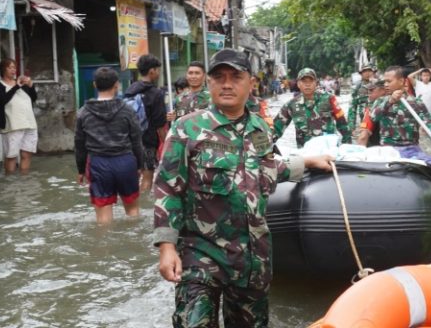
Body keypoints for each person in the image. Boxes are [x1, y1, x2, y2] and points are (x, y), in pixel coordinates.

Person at [152, 48, 333, 328]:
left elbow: (266, 169)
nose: (227, 84)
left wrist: (307, 162)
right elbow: (167, 187)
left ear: (251, 83)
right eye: (219, 77)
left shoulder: (261, 129)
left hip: (252, 257)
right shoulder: (187, 129)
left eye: (236, 77)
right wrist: (166, 247)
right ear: (209, 83)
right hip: (201, 253)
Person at [75, 67, 144, 224]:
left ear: (94, 84)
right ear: (117, 85)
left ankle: (105, 240)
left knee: (103, 218)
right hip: (126, 162)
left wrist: (81, 170)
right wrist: (139, 165)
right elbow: (136, 140)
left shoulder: (83, 112)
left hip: (98, 164)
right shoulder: (127, 110)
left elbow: (79, 144)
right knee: (133, 211)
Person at [361, 65, 431, 164]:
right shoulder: (380, 101)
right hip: (388, 149)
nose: (386, 85)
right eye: (385, 82)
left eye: (389, 81)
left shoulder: (416, 103)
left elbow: (430, 125)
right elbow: (374, 117)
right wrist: (390, 101)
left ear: (401, 81)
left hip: (411, 149)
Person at [124, 54, 172, 192]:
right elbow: (160, 125)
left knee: (132, 177)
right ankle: (144, 202)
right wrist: (168, 146)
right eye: (158, 70)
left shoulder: (130, 90)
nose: (158, 73)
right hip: (147, 143)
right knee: (147, 178)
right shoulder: (156, 93)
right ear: (152, 71)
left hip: (128, 142)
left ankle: (132, 201)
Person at [273, 68, 351, 147]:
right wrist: (267, 147)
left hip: (329, 149)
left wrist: (347, 146)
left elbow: (342, 123)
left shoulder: (329, 99)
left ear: (316, 83)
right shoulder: (291, 105)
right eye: (304, 81)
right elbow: (276, 129)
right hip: (306, 151)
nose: (307, 84)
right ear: (298, 84)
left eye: (311, 81)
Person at [0, 59, 38, 175]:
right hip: (12, 125)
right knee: (11, 156)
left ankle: (24, 180)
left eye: (14, 67)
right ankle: (10, 182)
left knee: (27, 154)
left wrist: (31, 86)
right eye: (10, 67)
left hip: (29, 123)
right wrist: (16, 86)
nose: (13, 70)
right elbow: (1, 101)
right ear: (3, 69)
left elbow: (33, 98)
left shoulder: (21, 84)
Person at [356, 79, 386, 147]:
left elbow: (363, 136)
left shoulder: (372, 108)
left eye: (371, 91)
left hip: (376, 149)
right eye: (368, 92)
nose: (369, 95)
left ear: (382, 90)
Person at [348, 65, 377, 130]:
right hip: (364, 119)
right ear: (361, 74)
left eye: (369, 71)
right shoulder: (357, 87)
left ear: (373, 72)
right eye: (365, 71)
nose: (367, 73)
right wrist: (351, 126)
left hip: (379, 119)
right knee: (364, 133)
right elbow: (352, 107)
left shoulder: (379, 84)